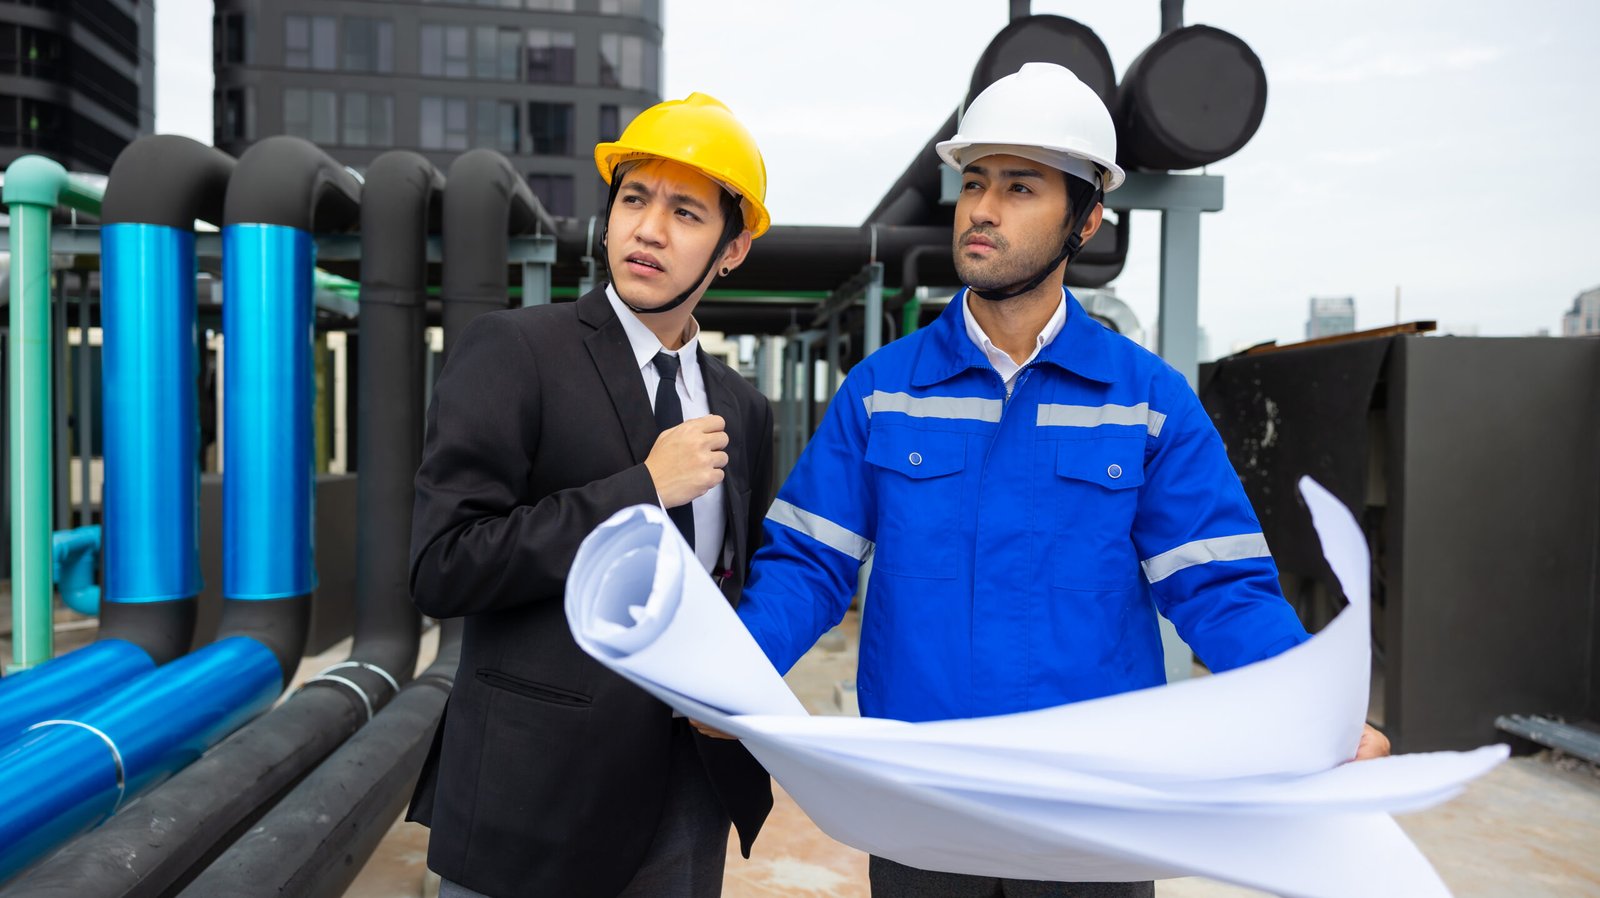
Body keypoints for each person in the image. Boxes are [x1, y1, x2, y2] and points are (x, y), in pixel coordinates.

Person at [731, 63, 1390, 898]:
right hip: (926, 807)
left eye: (1020, 187)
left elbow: (1220, 589)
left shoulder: (1147, 402)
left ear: (1086, 220)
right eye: (974, 183)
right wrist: (727, 679)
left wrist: (1317, 716)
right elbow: (809, 565)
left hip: (1091, 817)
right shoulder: (884, 391)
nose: (982, 208)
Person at [406, 92, 777, 898]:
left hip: (688, 795)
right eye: (635, 200)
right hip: (531, 797)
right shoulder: (515, 353)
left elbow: (739, 586)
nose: (649, 229)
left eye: (686, 212)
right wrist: (641, 490)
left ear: (733, 248)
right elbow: (443, 565)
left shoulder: (742, 409)